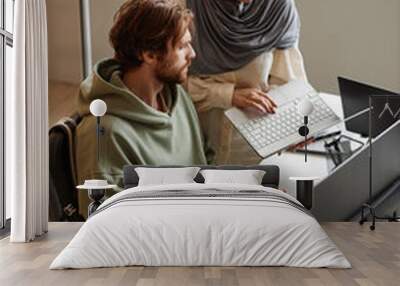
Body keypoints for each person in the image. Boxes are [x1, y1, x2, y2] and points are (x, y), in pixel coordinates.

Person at [75, 0, 214, 218]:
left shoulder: (179, 99)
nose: (192, 54)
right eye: (181, 47)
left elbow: (206, 161)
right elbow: (103, 218)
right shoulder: (103, 131)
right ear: (149, 54)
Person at [184, 0, 308, 164]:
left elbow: (289, 85)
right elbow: (166, 88)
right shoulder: (184, 6)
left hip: (254, 149)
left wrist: (296, 129)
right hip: (194, 140)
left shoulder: (279, 7)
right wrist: (228, 95)